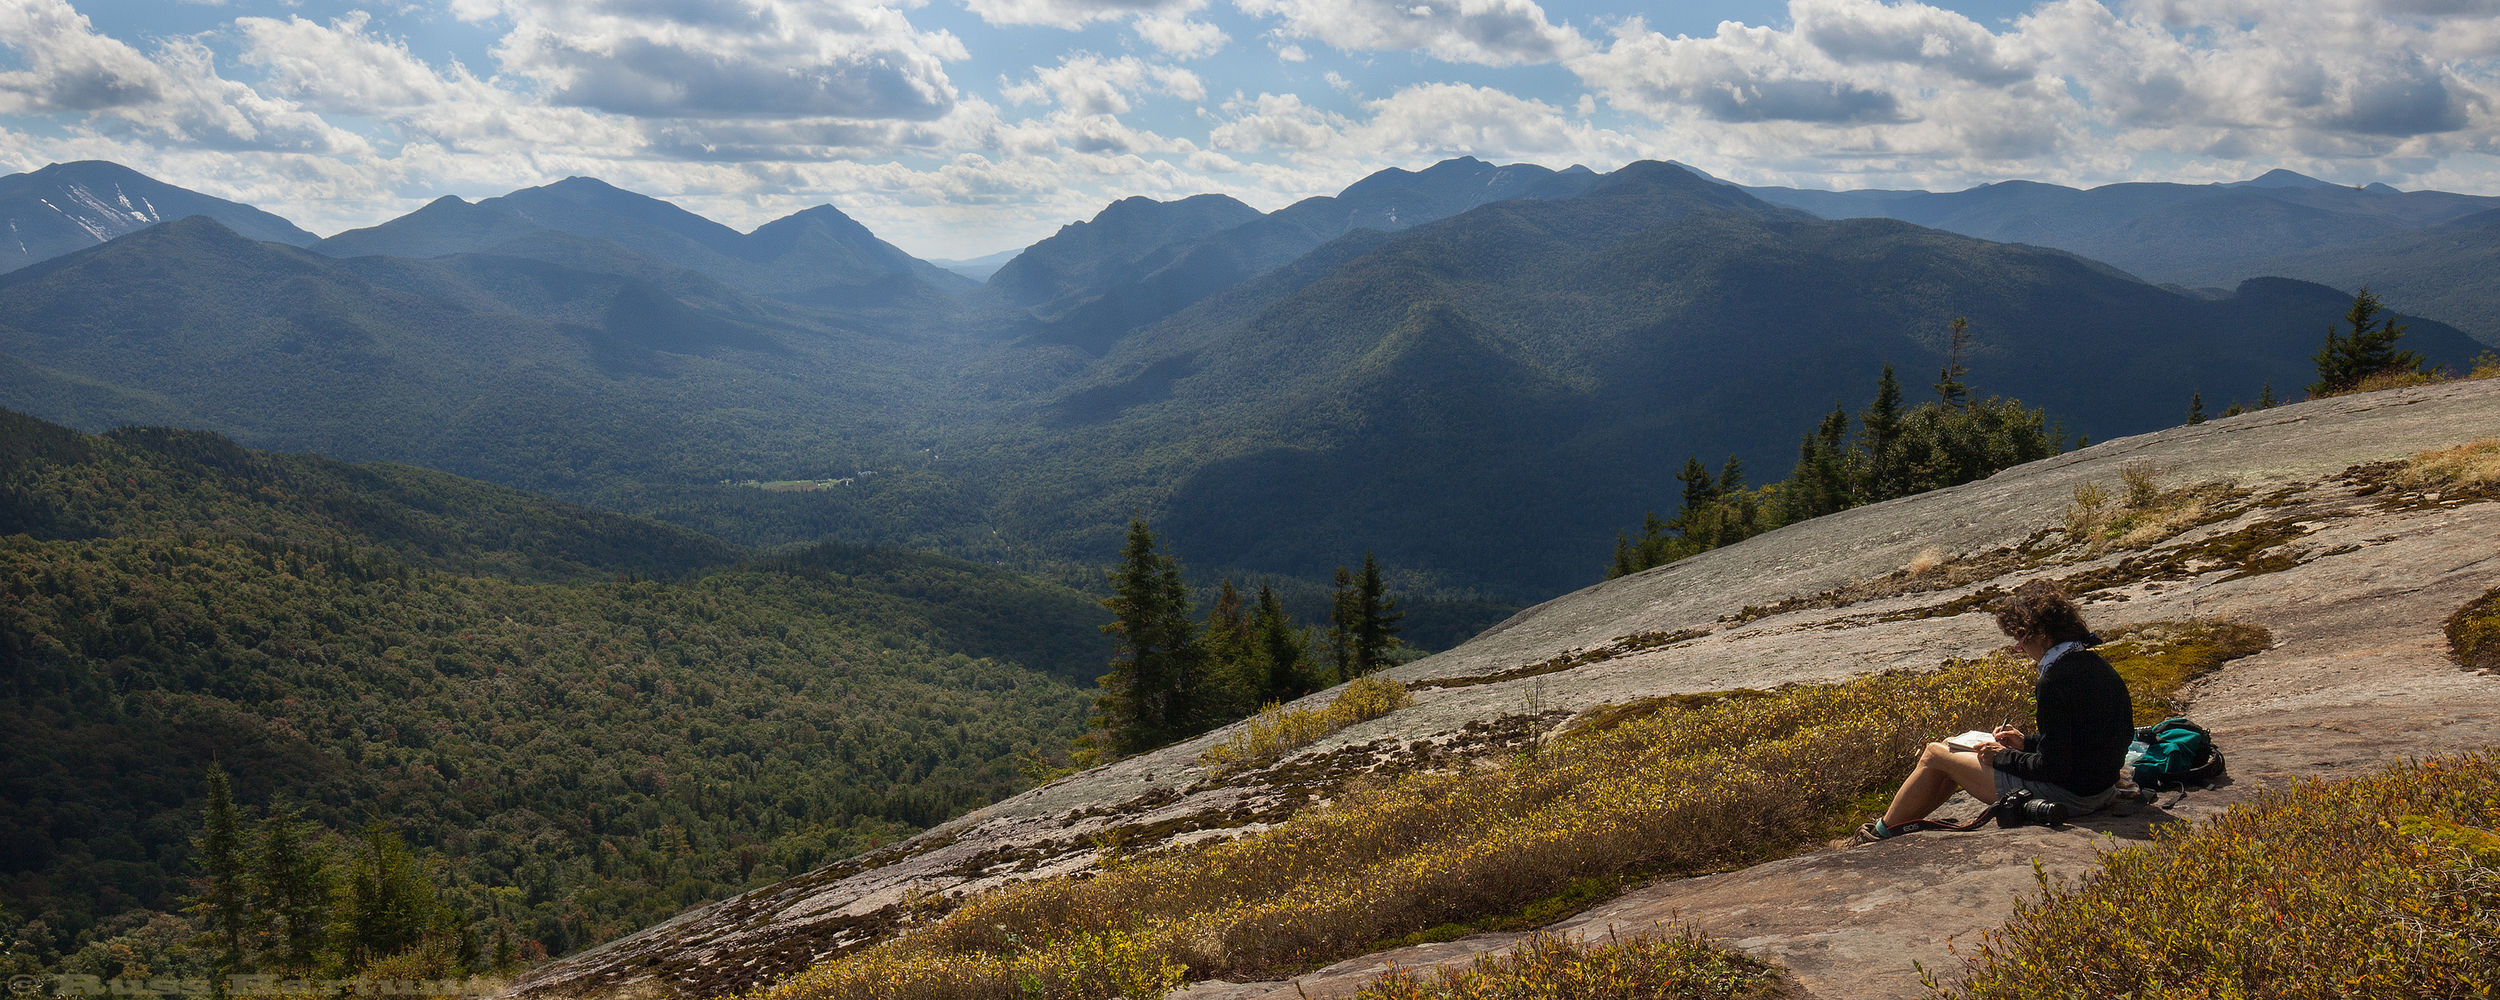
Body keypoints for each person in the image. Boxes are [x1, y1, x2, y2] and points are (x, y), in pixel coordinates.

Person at [1852, 579, 2134, 844]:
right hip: (2102, 790)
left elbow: (2055, 768)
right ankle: (1896, 827)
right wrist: (2027, 743)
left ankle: (1876, 836)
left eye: (2021, 638)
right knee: (1946, 761)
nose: (2018, 647)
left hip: (2070, 797)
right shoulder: (2096, 663)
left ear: (2043, 634)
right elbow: (2085, 740)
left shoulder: (2054, 680)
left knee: (1935, 754)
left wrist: (2004, 757)